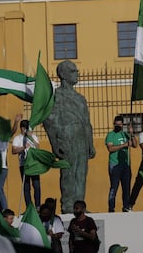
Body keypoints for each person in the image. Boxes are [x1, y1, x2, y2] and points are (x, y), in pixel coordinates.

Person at [43, 60, 96, 214]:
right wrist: (55, 142)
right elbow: (49, 120)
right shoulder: (56, 96)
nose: (77, 73)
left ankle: (80, 207)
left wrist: (90, 144)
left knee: (81, 175)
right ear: (63, 75)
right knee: (68, 174)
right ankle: (67, 206)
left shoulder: (81, 98)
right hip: (66, 138)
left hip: (81, 139)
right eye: (73, 71)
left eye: (76, 70)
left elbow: (87, 122)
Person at [105, 115, 137, 212]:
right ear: (114, 124)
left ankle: (126, 206)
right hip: (114, 164)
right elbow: (110, 148)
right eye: (116, 124)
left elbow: (135, 145)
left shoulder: (125, 134)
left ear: (123, 125)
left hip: (126, 165)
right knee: (114, 187)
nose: (118, 126)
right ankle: (111, 208)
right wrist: (124, 145)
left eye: (120, 124)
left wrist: (132, 134)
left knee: (126, 188)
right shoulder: (110, 135)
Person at [0, 113, 22, 212]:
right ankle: (2, 209)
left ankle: (4, 210)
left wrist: (16, 121)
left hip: (2, 168)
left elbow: (12, 131)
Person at [12, 119, 41, 210]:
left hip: (33, 164)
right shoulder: (17, 138)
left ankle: (37, 206)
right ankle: (29, 207)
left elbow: (38, 147)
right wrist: (23, 147)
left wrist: (31, 138)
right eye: (26, 129)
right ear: (22, 129)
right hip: (23, 164)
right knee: (26, 186)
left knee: (36, 185)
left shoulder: (33, 136)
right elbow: (14, 150)